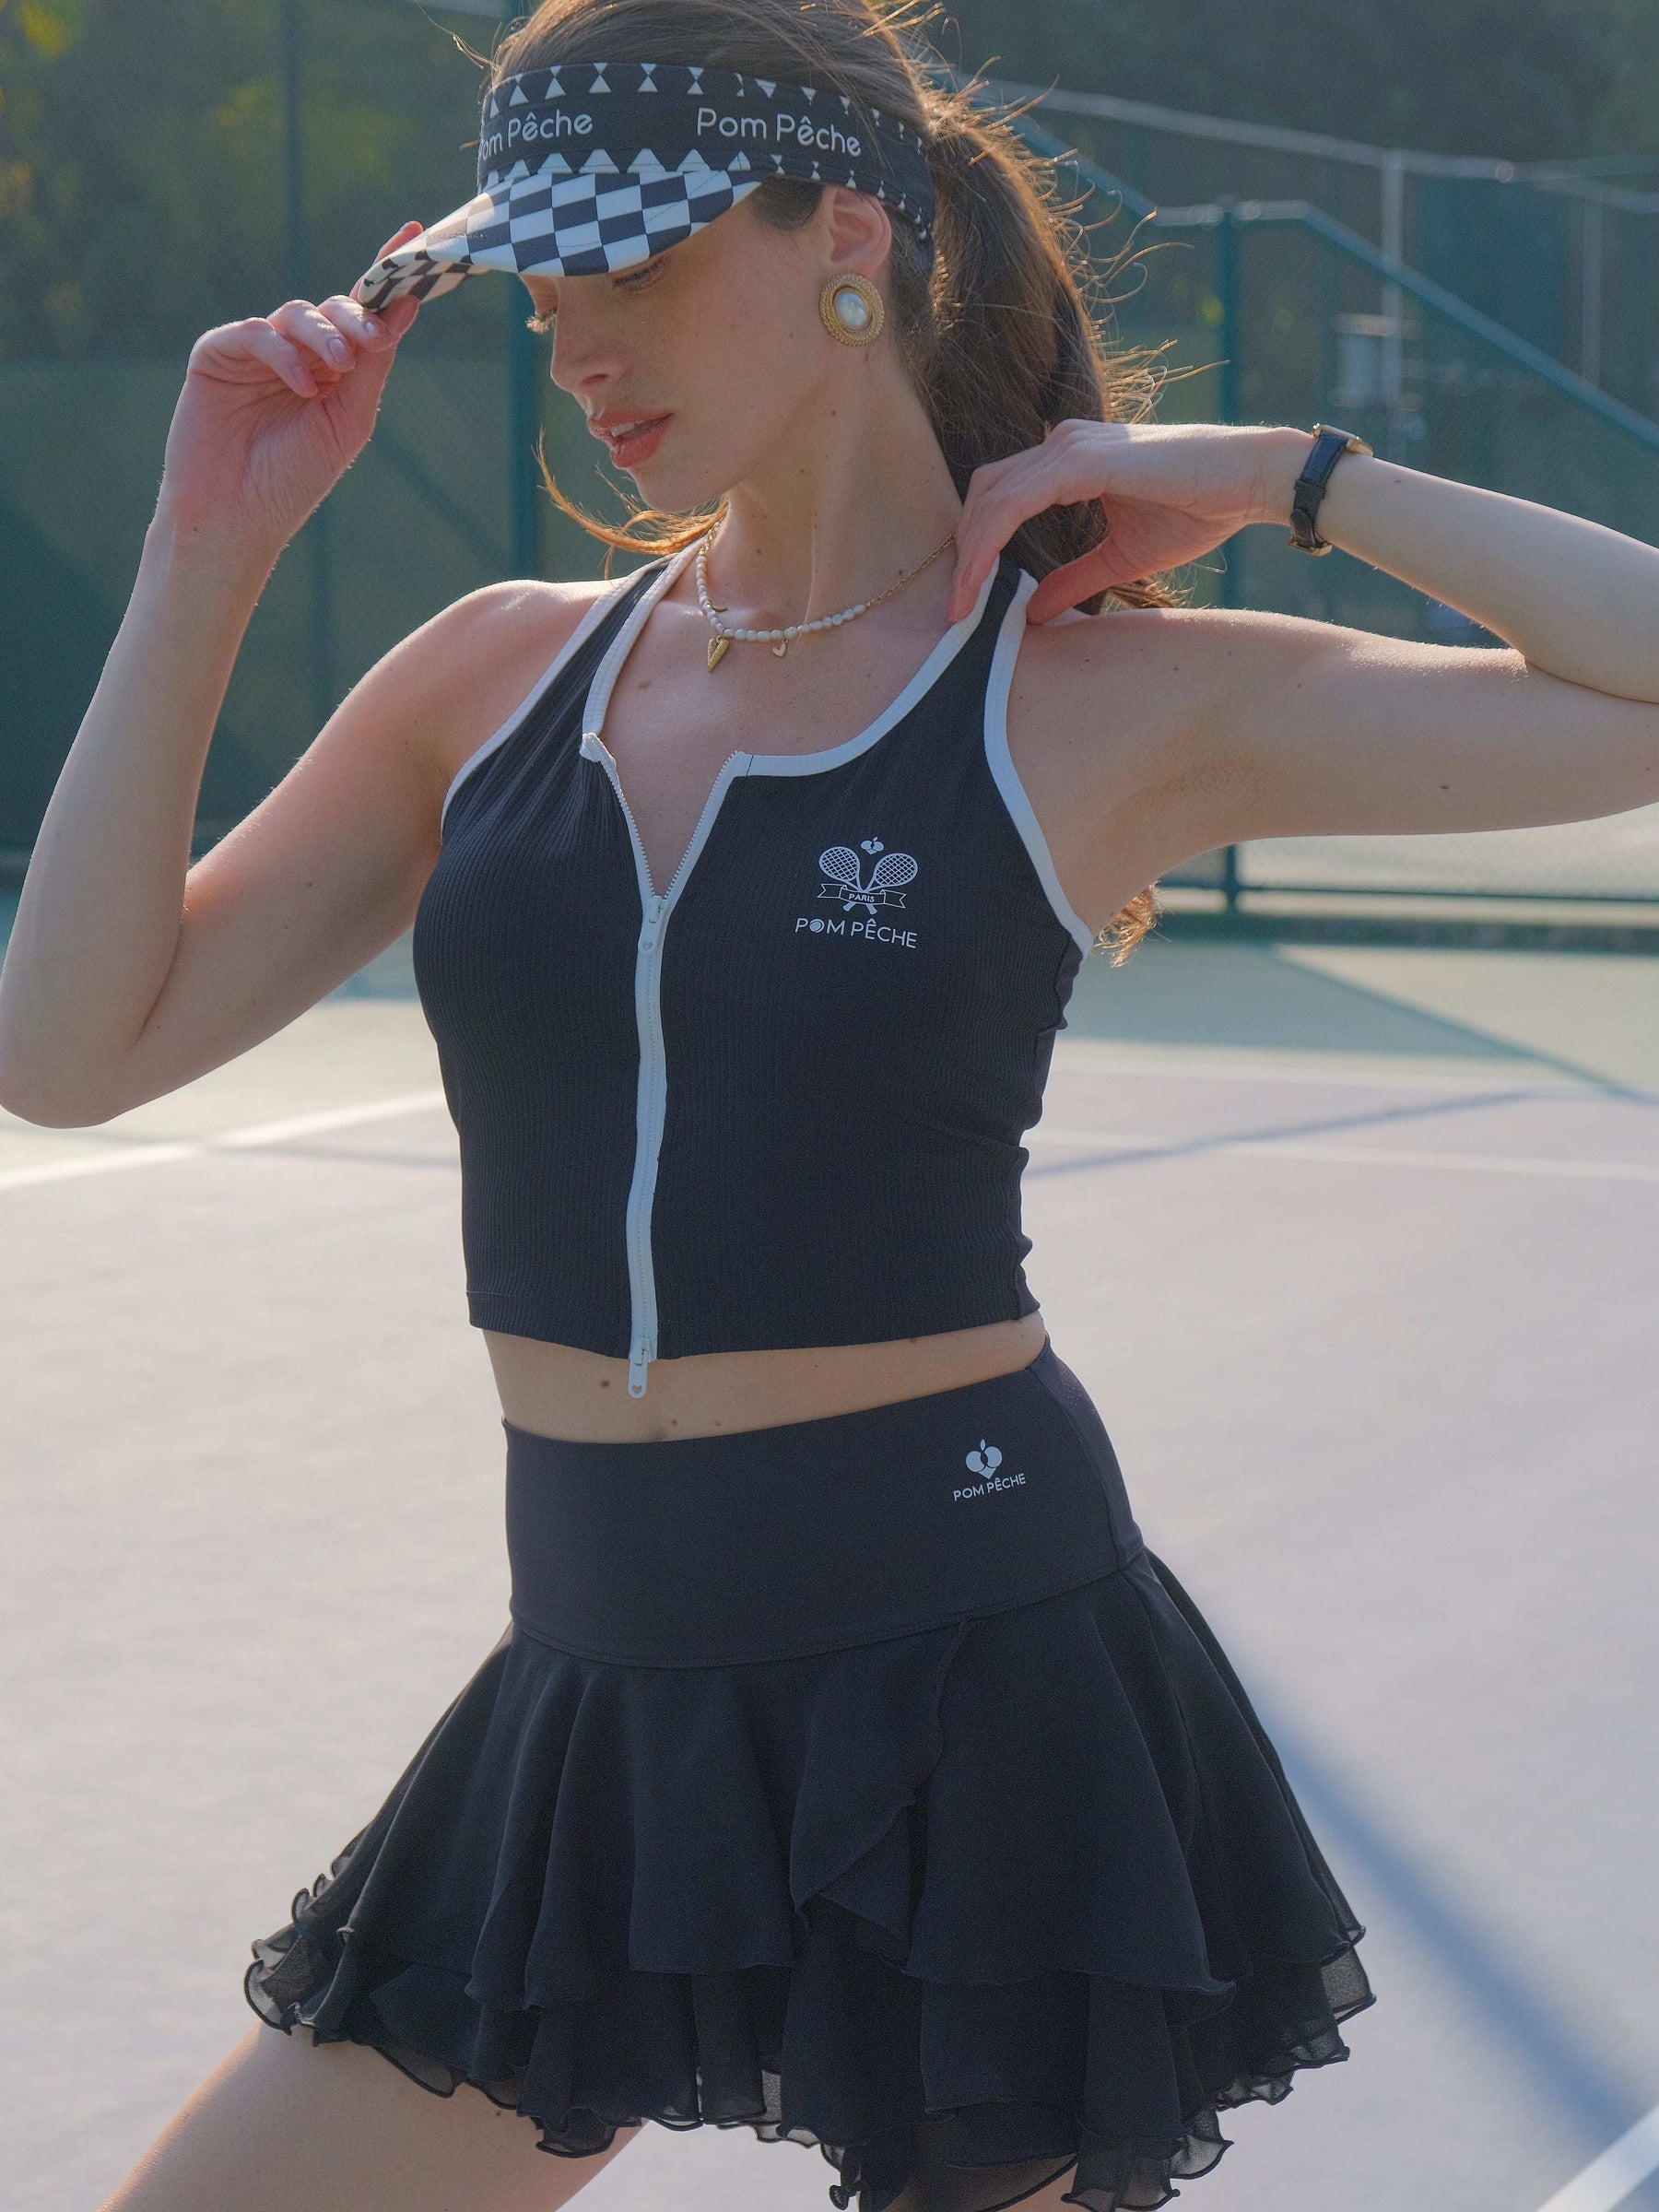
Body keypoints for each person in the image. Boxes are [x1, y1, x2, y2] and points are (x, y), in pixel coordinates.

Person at [4, 0, 1657, 2206]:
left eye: (638, 265)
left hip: (981, 1702)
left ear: (847, 235)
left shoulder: (1090, 700)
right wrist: (207, 546)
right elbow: (71, 1050)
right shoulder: (490, 674)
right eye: (546, 283)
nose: (578, 343)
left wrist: (1283, 476)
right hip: (599, 1689)